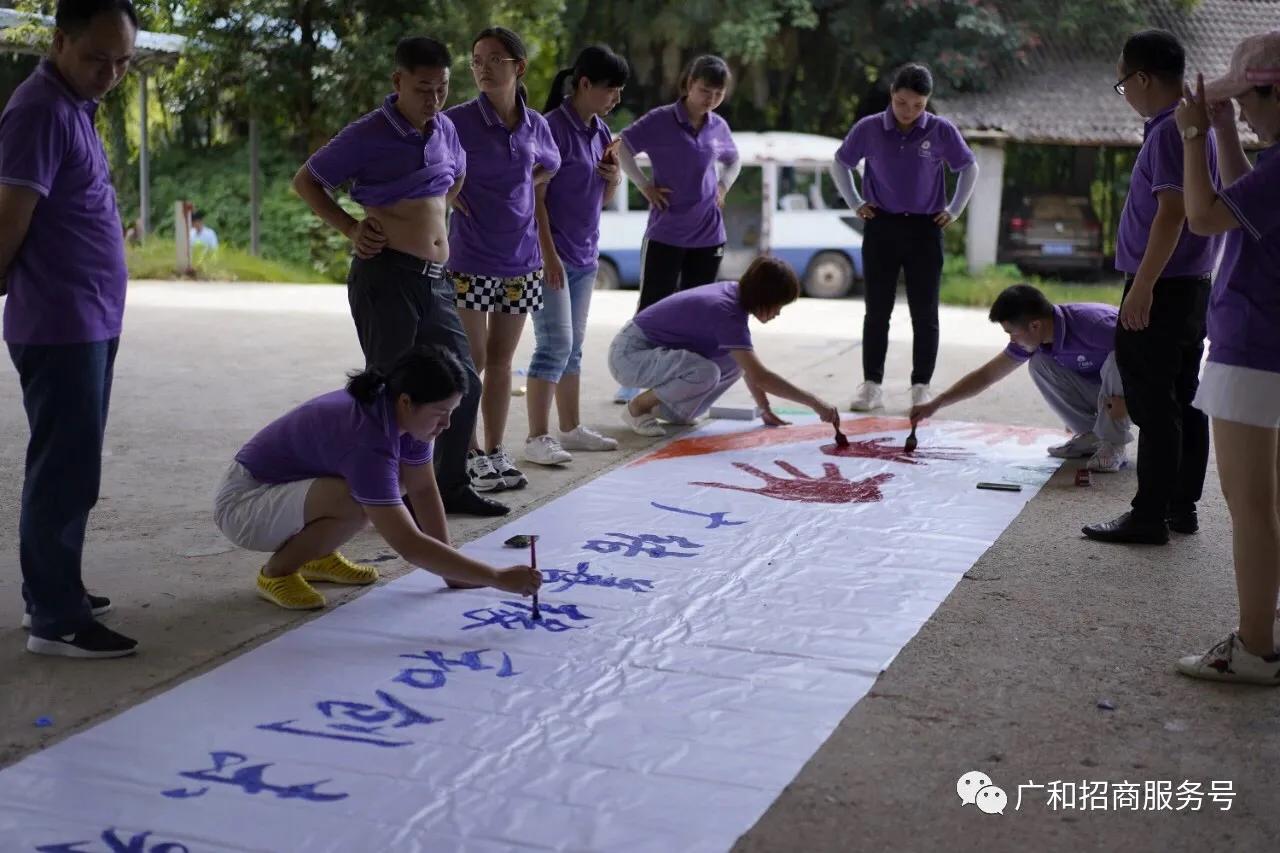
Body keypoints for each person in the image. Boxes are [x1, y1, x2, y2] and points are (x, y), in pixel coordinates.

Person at [293, 36, 508, 518]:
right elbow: (307, 180)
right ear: (398, 82)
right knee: (391, 389)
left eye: (443, 88)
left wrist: (431, 226)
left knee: (463, 383)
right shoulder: (369, 132)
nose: (433, 99)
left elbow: (456, 180)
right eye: (423, 88)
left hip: (435, 279)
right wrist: (351, 226)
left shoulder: (447, 129)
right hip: (385, 274)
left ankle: (450, 485)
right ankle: (381, 494)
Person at [0, 0, 138, 658]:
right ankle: (54, 620)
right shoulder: (39, 110)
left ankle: (55, 588)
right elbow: (8, 218)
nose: (110, 73)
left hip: (88, 315)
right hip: (59, 320)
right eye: (97, 58)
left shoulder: (73, 103)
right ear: (59, 42)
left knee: (73, 463)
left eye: (122, 62)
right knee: (63, 467)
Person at [215, 345, 542, 610]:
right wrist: (496, 577)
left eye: (452, 412)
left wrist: (452, 572)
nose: (447, 425)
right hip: (245, 506)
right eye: (441, 413)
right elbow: (409, 545)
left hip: (286, 491)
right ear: (406, 402)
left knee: (388, 487)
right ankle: (277, 572)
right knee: (360, 503)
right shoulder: (367, 438)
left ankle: (316, 554)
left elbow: (424, 489)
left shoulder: (406, 417)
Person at [1083, 30, 1221, 546]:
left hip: (1161, 286)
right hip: (1192, 286)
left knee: (1153, 403)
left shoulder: (1168, 131)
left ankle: (1148, 515)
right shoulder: (1193, 126)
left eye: (1124, 84)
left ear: (1142, 77)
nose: (1127, 95)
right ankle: (1180, 508)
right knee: (1184, 400)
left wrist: (1142, 287)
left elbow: (1172, 212)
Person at [1172, 32, 1280, 685]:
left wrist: (1190, 137)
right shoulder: (1275, 169)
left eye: (1247, 101)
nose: (1240, 111)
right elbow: (1247, 201)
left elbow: (1206, 216)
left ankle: (1254, 645)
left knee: (1250, 504)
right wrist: (1220, 134)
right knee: (1271, 503)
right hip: (1270, 344)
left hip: (1253, 348)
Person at [445, 27, 561, 493]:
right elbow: (431, 164)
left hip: (522, 262)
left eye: (495, 59)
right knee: (467, 359)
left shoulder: (536, 124)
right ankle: (466, 452)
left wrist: (523, 186)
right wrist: (452, 194)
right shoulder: (456, 121)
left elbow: (549, 164)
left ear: (519, 67)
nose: (483, 68)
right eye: (476, 59)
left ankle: (495, 450)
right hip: (470, 258)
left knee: (502, 361)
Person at [830, 62, 979, 413]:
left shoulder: (941, 130)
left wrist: (955, 209)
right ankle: (871, 386)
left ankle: (921, 386)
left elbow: (968, 166)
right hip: (881, 225)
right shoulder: (869, 128)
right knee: (876, 310)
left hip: (926, 229)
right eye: (901, 102)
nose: (909, 111)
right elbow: (840, 163)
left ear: (927, 102)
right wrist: (854, 202)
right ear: (891, 96)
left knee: (924, 312)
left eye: (918, 105)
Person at [523, 45, 629, 467]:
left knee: (574, 347)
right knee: (554, 344)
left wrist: (614, 177)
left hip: (585, 256)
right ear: (583, 84)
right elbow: (535, 199)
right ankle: (536, 437)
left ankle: (570, 428)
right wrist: (548, 256)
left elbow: (598, 198)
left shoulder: (601, 130)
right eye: (611, 89)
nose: (616, 99)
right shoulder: (550, 128)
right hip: (550, 255)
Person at [614, 54, 741, 403]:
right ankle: (635, 377)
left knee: (698, 311)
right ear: (687, 84)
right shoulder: (660, 121)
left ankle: (683, 383)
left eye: (718, 93)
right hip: (666, 232)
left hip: (708, 234)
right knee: (654, 306)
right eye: (704, 91)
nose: (710, 99)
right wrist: (643, 186)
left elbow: (733, 159)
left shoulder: (718, 126)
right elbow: (621, 145)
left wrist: (723, 185)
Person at [910, 284, 1133, 472]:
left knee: (1120, 356)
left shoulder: (1095, 325)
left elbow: (1157, 358)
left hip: (1136, 394)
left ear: (1035, 325)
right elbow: (987, 375)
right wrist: (936, 403)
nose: (1012, 340)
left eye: (1012, 333)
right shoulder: (1039, 338)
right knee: (1039, 364)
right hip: (1104, 395)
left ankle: (1114, 444)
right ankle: (1093, 435)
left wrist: (1134, 402)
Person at [610, 256, 839, 435]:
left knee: (734, 362)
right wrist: (816, 403)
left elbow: (750, 369)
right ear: (763, 297)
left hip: (647, 354)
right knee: (706, 372)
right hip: (629, 356)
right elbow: (762, 376)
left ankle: (668, 410)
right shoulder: (725, 310)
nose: (778, 313)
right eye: (778, 305)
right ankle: (637, 408)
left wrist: (764, 409)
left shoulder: (737, 299)